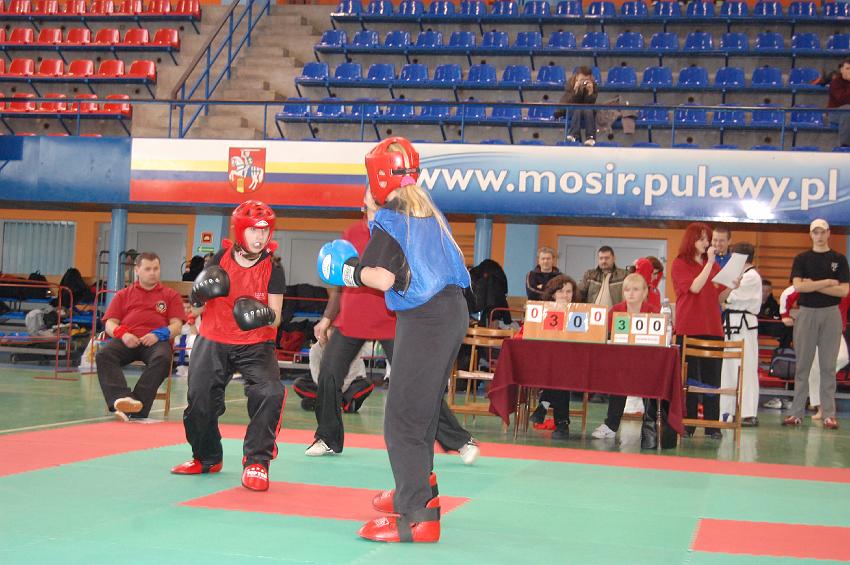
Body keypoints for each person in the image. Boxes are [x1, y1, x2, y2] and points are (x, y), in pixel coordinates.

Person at [317, 137, 469, 543]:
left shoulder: (393, 214)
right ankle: (416, 490)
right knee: (422, 413)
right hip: (449, 312)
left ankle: (418, 518)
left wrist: (346, 271)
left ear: (379, 178)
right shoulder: (425, 209)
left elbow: (382, 278)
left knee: (402, 419)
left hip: (427, 319)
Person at [306, 205, 479, 466]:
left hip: (390, 321)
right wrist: (328, 318)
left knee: (417, 385)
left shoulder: (399, 230)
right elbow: (341, 278)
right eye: (370, 198)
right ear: (363, 203)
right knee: (328, 373)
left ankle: (460, 440)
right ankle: (327, 437)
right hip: (352, 319)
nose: (375, 203)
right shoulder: (352, 233)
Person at [171, 200, 286, 492]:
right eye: (254, 230)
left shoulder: (273, 268)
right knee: (199, 401)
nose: (260, 237)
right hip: (214, 338)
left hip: (255, 342)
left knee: (270, 392)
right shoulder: (219, 258)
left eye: (265, 231)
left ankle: (257, 462)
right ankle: (207, 457)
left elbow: (276, 317)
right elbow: (198, 307)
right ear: (239, 230)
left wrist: (262, 314)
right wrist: (197, 297)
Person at [96, 252, 184, 421]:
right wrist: (123, 334)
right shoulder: (123, 294)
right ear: (137, 270)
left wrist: (159, 334)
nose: (153, 273)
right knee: (104, 355)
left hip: (156, 342)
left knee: (163, 359)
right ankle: (122, 399)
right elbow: (109, 324)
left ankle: (135, 407)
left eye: (156, 269)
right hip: (128, 339)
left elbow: (177, 326)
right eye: (148, 269)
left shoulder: (170, 295)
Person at [783, 219, 849, 430]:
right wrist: (828, 282)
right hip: (806, 313)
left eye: (822, 232)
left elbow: (843, 291)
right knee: (803, 365)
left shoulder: (839, 259)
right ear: (811, 234)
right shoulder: (802, 258)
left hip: (831, 314)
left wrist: (812, 285)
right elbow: (798, 287)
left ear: (829, 233)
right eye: (815, 232)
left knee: (828, 366)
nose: (819, 236)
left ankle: (829, 414)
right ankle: (796, 413)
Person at [672, 222, 733, 439]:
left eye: (707, 239)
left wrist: (731, 286)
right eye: (702, 239)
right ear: (691, 240)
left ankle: (712, 425)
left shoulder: (711, 265)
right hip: (688, 327)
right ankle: (688, 424)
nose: (707, 243)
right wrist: (710, 264)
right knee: (689, 378)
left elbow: (719, 296)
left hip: (713, 327)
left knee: (712, 378)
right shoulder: (680, 263)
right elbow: (695, 287)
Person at [592, 273, 656, 440]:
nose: (631, 293)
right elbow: (603, 335)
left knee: (653, 380)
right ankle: (611, 425)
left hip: (645, 363)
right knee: (618, 379)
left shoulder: (652, 312)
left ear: (644, 292)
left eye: (635, 289)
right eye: (627, 290)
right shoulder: (615, 310)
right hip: (620, 362)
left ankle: (651, 426)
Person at [779, 283, 850, 419]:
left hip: (834, 330)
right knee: (813, 367)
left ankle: (823, 402)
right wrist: (785, 315)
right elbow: (788, 293)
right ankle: (820, 408)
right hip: (811, 327)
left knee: (841, 358)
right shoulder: (813, 282)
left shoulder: (843, 286)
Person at [526, 274, 580, 440]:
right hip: (545, 363)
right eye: (561, 291)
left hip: (573, 364)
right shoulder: (543, 311)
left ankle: (544, 404)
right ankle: (562, 423)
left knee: (562, 371)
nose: (565, 295)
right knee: (559, 371)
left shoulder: (580, 313)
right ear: (553, 294)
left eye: (569, 291)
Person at [718, 242, 762, 427]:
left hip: (744, 326)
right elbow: (721, 298)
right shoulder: (740, 276)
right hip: (732, 324)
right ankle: (727, 411)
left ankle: (747, 413)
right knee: (729, 369)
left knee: (746, 367)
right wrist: (724, 298)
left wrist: (725, 298)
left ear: (739, 258)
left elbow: (728, 298)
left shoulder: (751, 276)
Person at [557, 66, 598, 145]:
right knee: (577, 109)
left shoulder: (593, 85)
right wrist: (576, 91)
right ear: (577, 77)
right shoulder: (570, 84)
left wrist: (590, 93)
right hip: (571, 109)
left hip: (587, 110)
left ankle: (590, 137)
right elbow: (571, 102)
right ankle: (574, 135)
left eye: (586, 80)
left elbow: (590, 104)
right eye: (582, 80)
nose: (584, 82)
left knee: (588, 110)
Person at [827, 58, 850, 148]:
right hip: (835, 112)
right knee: (848, 109)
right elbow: (843, 99)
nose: (849, 71)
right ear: (841, 70)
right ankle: (845, 145)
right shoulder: (835, 83)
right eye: (847, 68)